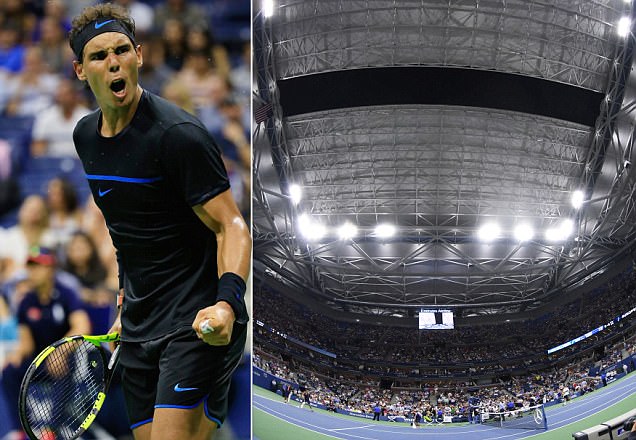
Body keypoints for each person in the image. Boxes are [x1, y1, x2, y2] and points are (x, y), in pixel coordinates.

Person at [68, 4, 251, 440]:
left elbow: (233, 226)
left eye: (122, 50)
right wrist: (123, 302)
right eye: (99, 56)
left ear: (139, 56)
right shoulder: (86, 137)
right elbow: (126, 233)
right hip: (140, 324)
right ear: (79, 70)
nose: (113, 62)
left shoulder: (178, 135)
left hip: (198, 318)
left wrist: (227, 303)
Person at [0, 246, 92, 437]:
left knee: (63, 365)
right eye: (30, 267)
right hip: (39, 361)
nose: (33, 272)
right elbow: (26, 342)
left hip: (66, 358)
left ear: (50, 268)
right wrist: (17, 354)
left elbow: (82, 326)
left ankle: (51, 429)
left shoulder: (67, 293)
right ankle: (21, 430)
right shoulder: (26, 301)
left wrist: (60, 350)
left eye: (38, 266)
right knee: (9, 371)